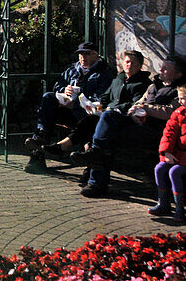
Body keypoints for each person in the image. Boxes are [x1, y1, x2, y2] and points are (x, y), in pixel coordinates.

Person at [71, 56, 186, 196]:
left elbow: (170, 111)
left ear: (178, 74)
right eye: (161, 66)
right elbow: (138, 102)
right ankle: (95, 156)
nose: (160, 70)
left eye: (166, 69)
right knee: (109, 117)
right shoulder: (154, 85)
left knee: (107, 140)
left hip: (156, 130)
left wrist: (146, 109)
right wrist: (133, 111)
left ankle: (96, 183)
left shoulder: (180, 90)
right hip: (137, 123)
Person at [43, 50, 151, 157]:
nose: (129, 65)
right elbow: (106, 96)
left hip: (124, 117)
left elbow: (135, 103)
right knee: (91, 119)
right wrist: (98, 106)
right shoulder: (119, 79)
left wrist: (111, 108)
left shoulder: (144, 83)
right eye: (127, 62)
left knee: (94, 122)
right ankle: (79, 153)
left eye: (133, 63)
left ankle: (65, 147)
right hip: (107, 113)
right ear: (123, 63)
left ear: (140, 65)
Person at [24, 42, 112, 171]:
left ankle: (42, 150)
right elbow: (57, 86)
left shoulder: (104, 72)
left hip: (86, 114)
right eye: (80, 54)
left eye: (87, 54)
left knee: (88, 125)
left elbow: (101, 97)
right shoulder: (72, 69)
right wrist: (65, 90)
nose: (83, 57)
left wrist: (77, 101)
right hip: (68, 110)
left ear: (95, 55)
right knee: (48, 99)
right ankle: (40, 140)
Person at [148, 85, 186, 220]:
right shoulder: (179, 113)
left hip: (184, 157)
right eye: (180, 99)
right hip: (177, 154)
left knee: (174, 172)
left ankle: (179, 207)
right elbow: (169, 133)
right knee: (160, 168)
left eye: (184, 99)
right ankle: (163, 203)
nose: (181, 102)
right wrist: (166, 152)